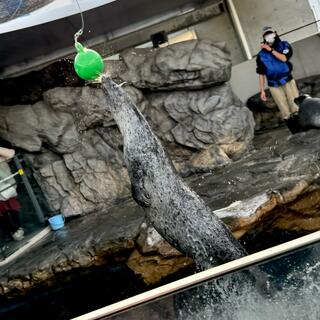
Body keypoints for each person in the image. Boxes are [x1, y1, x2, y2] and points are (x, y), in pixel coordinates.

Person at [256, 26, 299, 122]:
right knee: (284, 109)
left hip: (287, 79)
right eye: (266, 35)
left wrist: (270, 50)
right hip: (273, 84)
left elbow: (284, 58)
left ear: (275, 33)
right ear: (264, 37)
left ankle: (301, 124)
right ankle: (292, 127)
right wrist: (262, 90)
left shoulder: (284, 45)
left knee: (295, 103)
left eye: (270, 33)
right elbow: (261, 73)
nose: (269, 36)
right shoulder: (261, 55)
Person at [0, 147, 24, 241]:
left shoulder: (1, 156)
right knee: (2, 213)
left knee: (13, 208)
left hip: (8, 187)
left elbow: (11, 153)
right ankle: (13, 232)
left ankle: (18, 229)